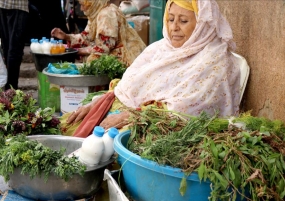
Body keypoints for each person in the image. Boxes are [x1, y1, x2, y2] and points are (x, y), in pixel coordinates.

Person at [61, 0, 241, 137]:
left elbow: (185, 111)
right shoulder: (161, 49)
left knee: (97, 149)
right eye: (170, 19)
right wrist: (100, 102)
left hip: (154, 126)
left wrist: (127, 117)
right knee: (67, 128)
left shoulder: (214, 61)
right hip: (128, 111)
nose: (174, 28)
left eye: (183, 21)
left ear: (203, 24)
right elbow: (128, 86)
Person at [51, 0, 146, 66]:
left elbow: (104, 48)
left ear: (93, 3)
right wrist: (66, 36)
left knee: (91, 61)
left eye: (83, 5)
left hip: (127, 55)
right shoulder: (96, 14)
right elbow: (87, 36)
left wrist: (78, 51)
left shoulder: (106, 14)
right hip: (113, 50)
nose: (82, 8)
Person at [0, 0, 29, 90]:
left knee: (8, 48)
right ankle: (11, 91)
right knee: (13, 50)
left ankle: (9, 89)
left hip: (1, 4)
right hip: (17, 5)